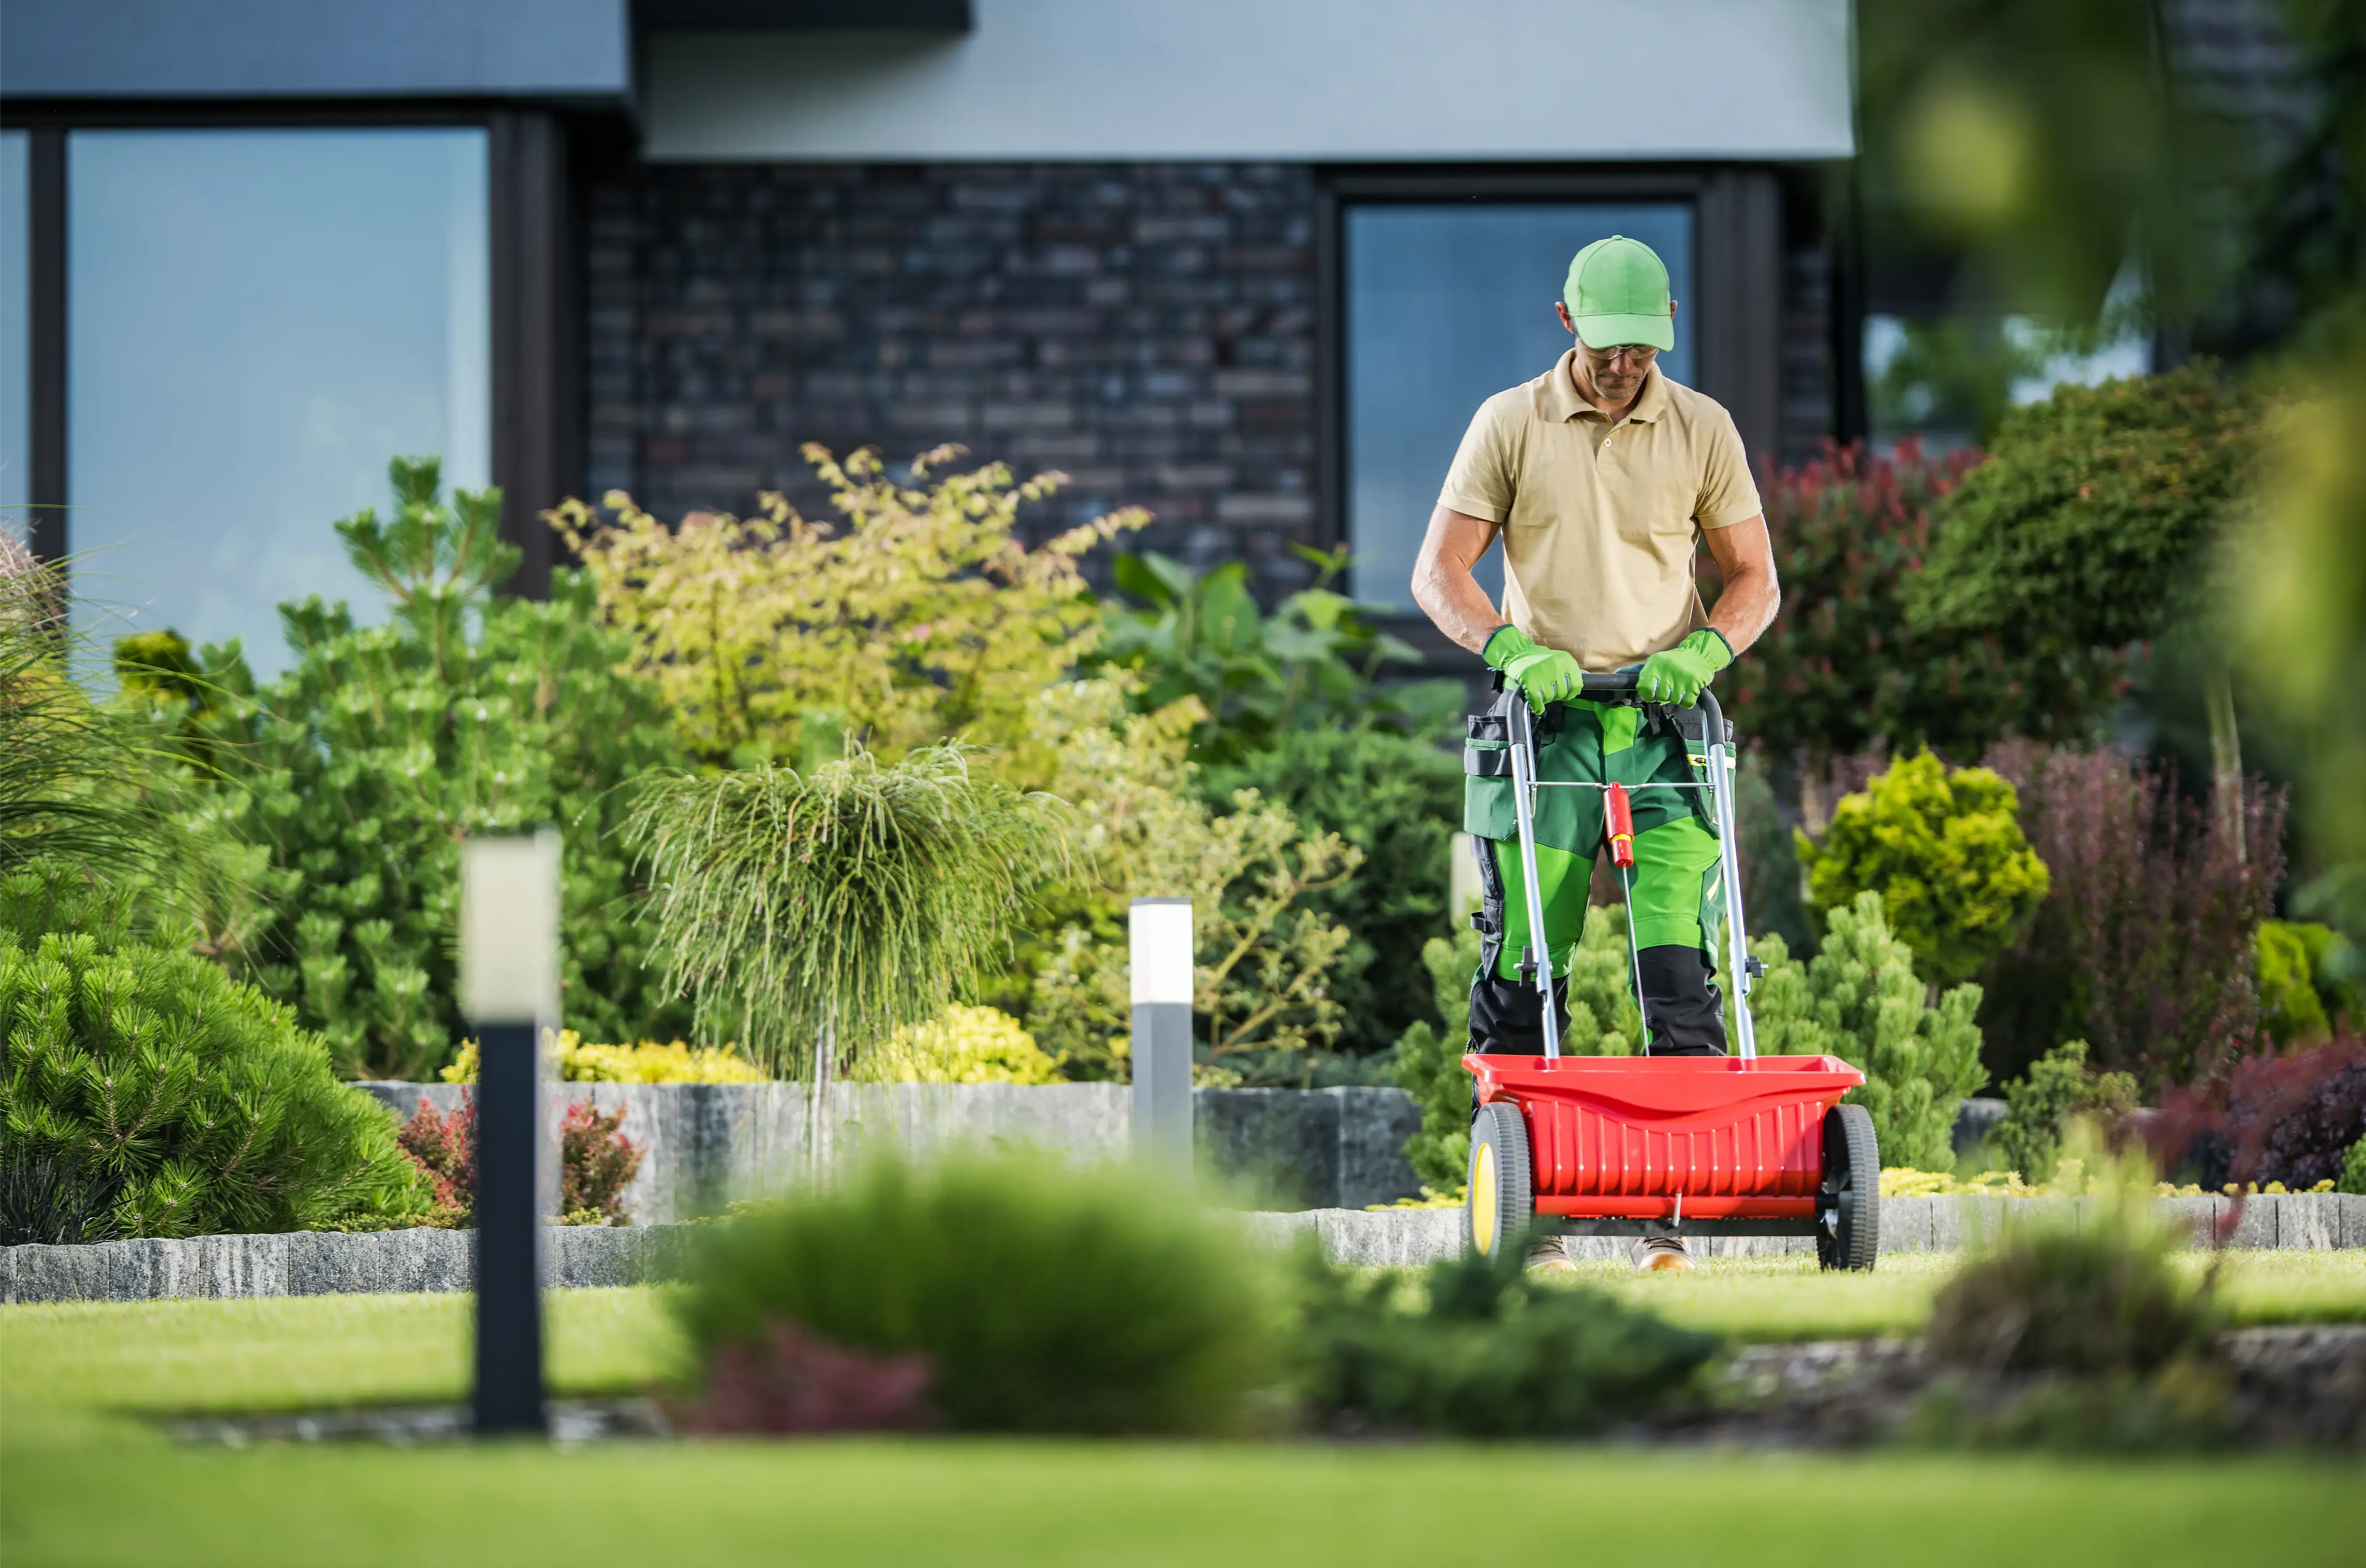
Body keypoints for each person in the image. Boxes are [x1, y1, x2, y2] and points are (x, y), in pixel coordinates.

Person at [1409, 235, 1781, 1274]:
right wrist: (1507, 646)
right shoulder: (1508, 423)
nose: (1625, 366)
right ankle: (1536, 1224)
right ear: (1566, 323)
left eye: (1643, 348)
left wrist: (1710, 645)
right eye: (1608, 346)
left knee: (1680, 966)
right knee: (1527, 959)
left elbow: (1755, 574)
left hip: (1666, 735)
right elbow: (1438, 571)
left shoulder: (1701, 427)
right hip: (1551, 728)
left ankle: (1675, 1216)